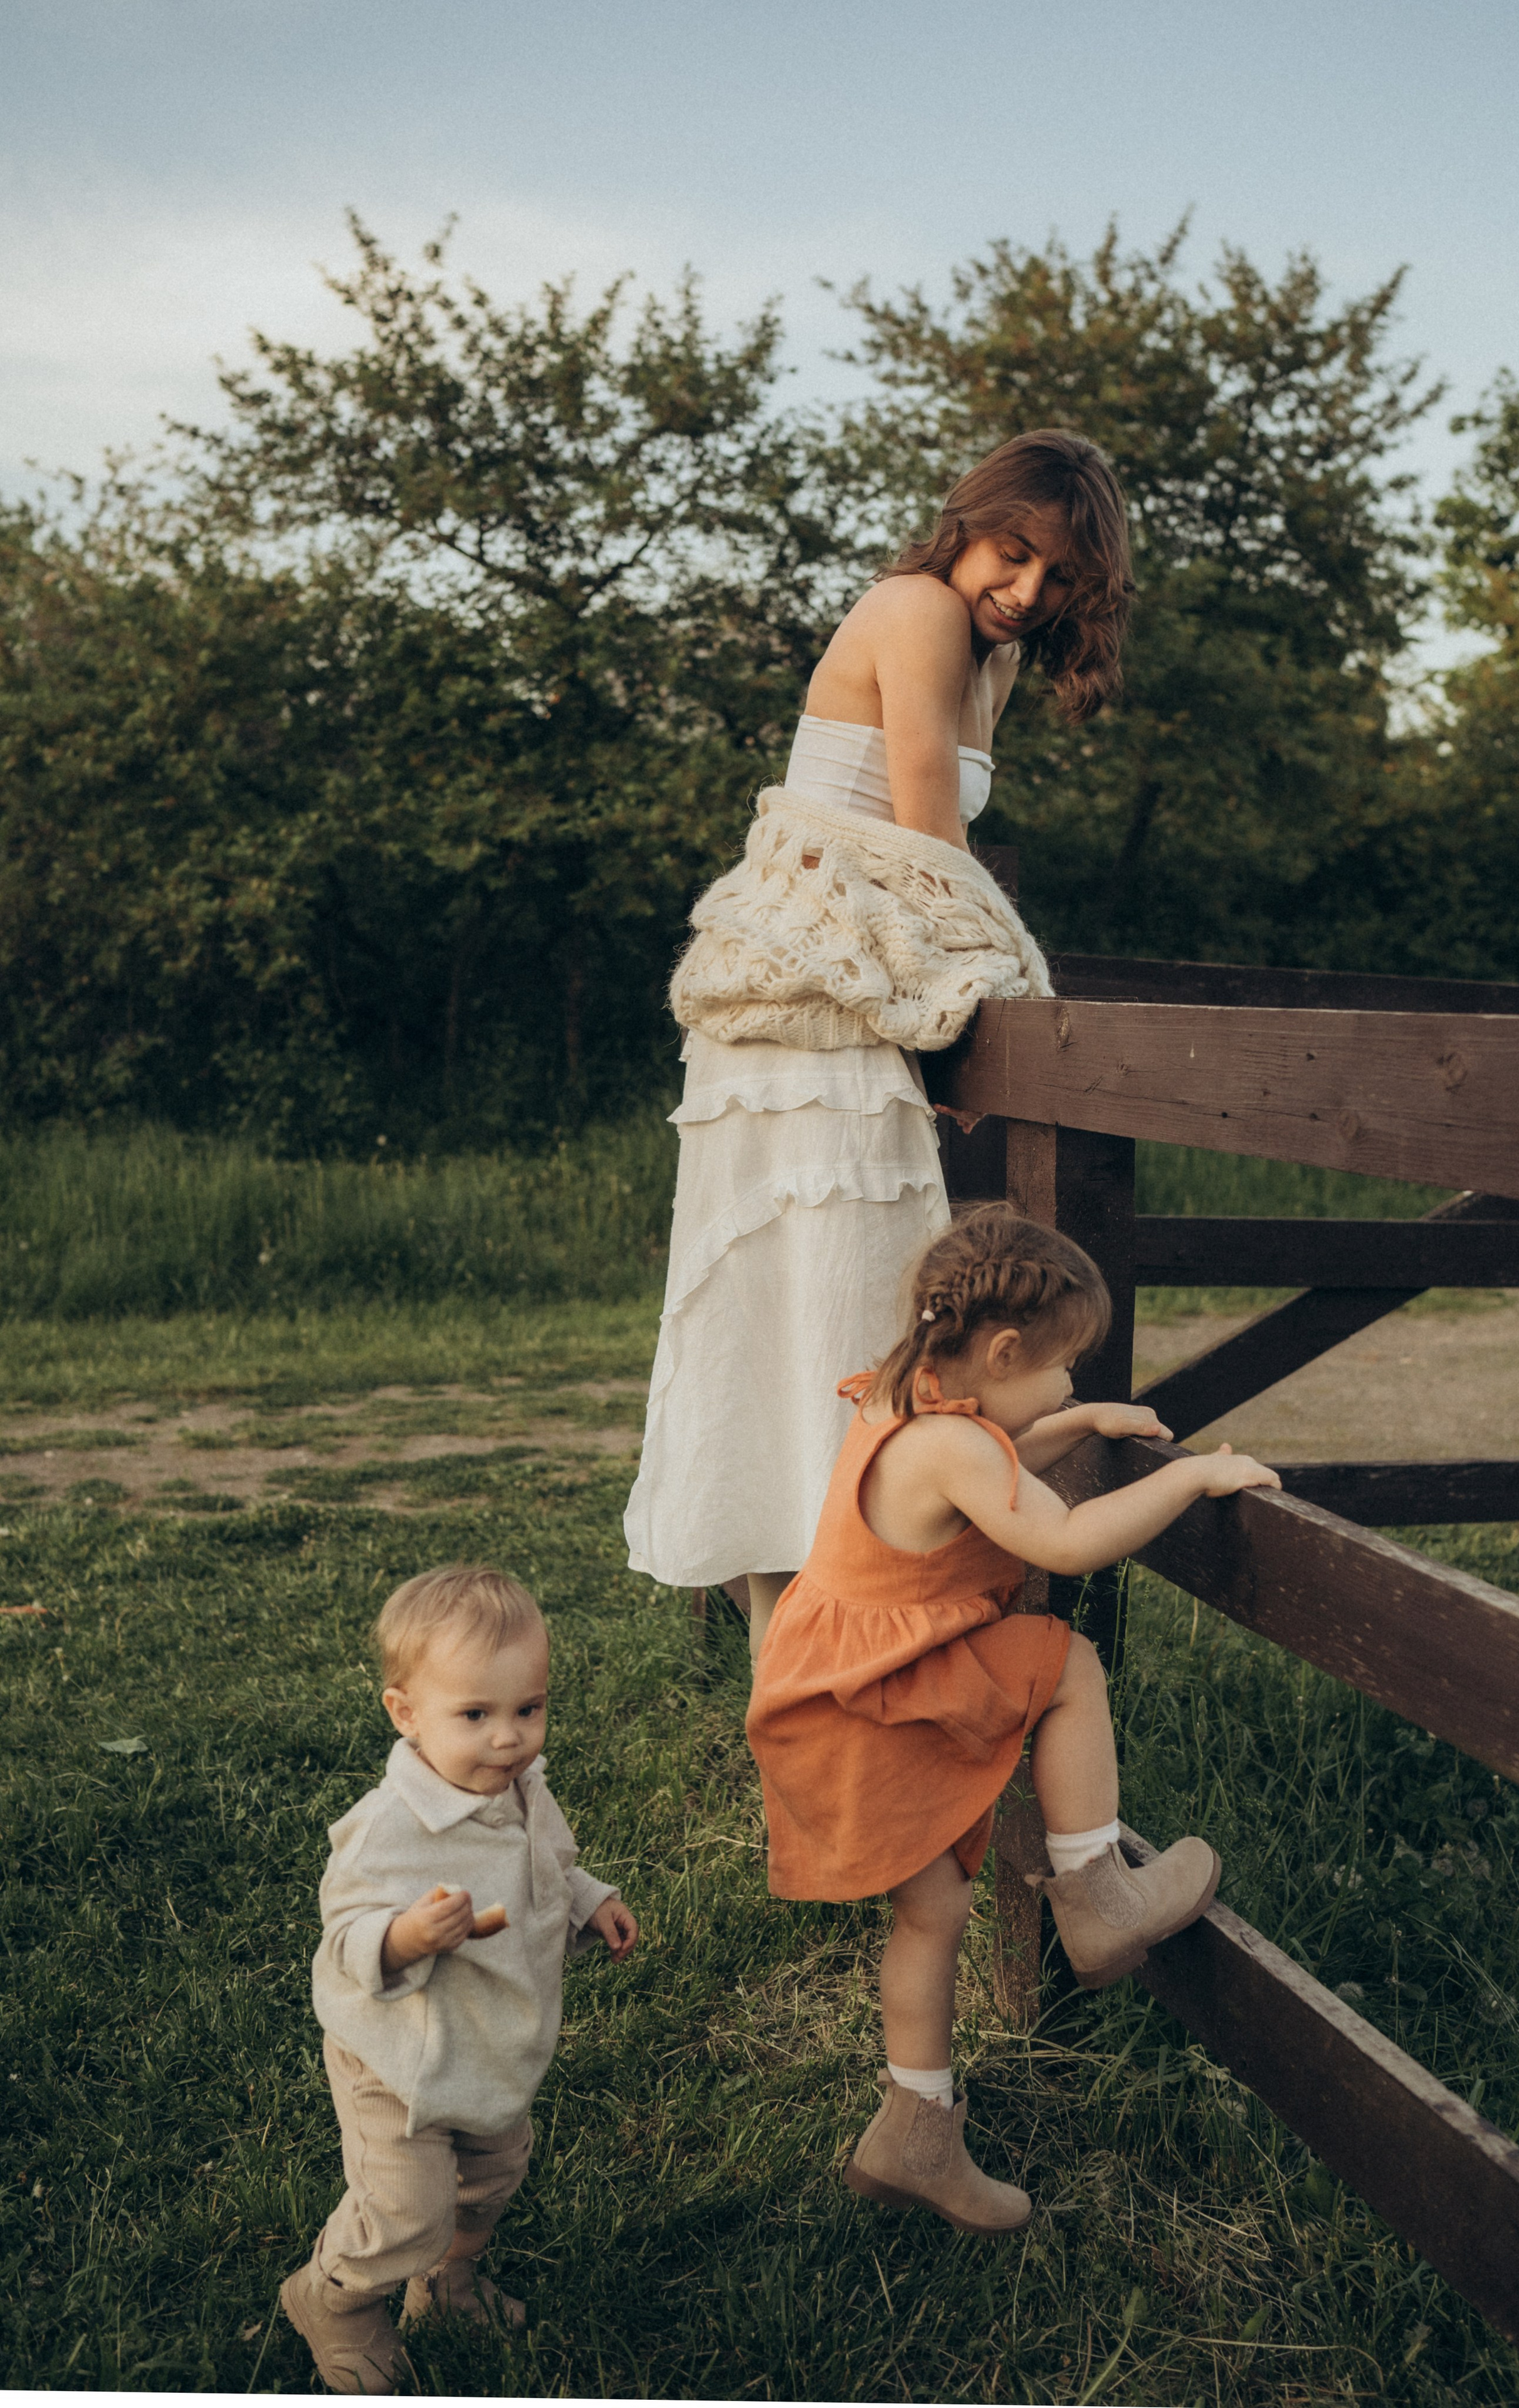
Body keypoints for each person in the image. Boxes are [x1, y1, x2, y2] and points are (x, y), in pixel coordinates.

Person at [624, 430, 1134, 1661]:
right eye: (1012, 554)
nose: (1023, 593)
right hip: (804, 1024)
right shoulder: (914, 608)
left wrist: (953, 1027)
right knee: (808, 1322)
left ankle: (839, 1662)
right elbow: (922, 850)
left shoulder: (985, 658)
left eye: (1056, 578)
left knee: (850, 1322)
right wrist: (990, 1015)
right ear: (967, 522)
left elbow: (921, 880)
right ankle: (802, 1676)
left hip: (859, 1008)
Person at [745, 1205, 1281, 2234]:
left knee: (934, 1911)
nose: (1071, 1382)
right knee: (1067, 1662)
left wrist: (1079, 1424)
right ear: (999, 1350)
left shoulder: (904, 1396)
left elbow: (1000, 1438)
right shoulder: (954, 1445)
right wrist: (1192, 1474)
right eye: (1066, 1367)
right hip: (878, 1704)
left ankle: (915, 2131)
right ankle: (1096, 1895)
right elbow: (1069, 1538)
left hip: (842, 1697)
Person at [280, 1565, 639, 2395]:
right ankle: (335, 2298)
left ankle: (444, 2282)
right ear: (405, 1713)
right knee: (406, 2207)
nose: (509, 1737)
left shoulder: (519, 1787)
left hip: (488, 2048)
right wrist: (403, 1936)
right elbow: (343, 1940)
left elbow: (545, 1866)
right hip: (398, 2063)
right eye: (475, 1714)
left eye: (529, 1708)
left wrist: (590, 1900)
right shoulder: (390, 1827)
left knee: (490, 2179)